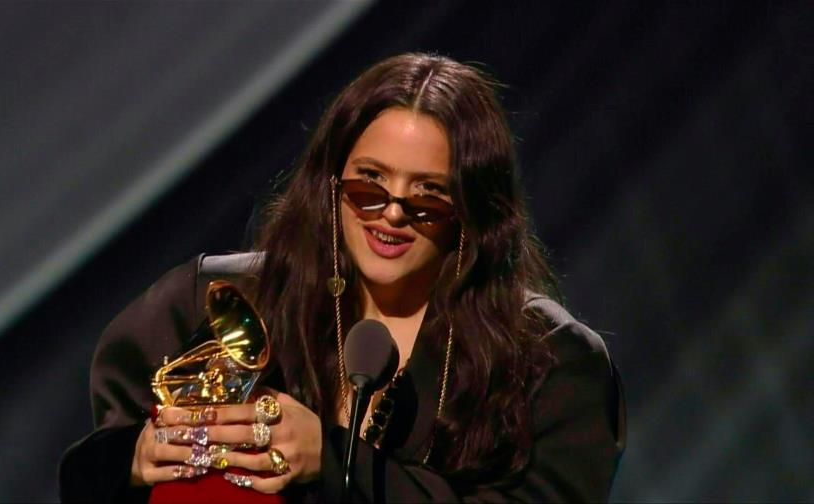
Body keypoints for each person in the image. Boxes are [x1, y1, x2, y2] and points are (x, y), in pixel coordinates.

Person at [59, 52, 625, 502]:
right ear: (330, 186)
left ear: (474, 213)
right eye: (368, 188)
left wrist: (327, 461)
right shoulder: (212, 302)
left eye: (427, 198)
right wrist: (133, 461)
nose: (393, 214)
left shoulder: (550, 361)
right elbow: (91, 467)